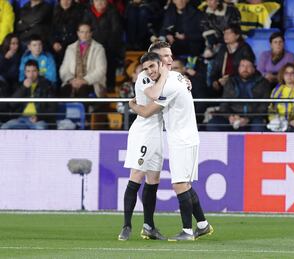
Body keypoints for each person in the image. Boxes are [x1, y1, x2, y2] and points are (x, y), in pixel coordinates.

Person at [129, 52, 213, 241]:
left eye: (153, 66)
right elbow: (176, 79)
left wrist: (132, 105)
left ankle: (187, 231)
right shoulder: (175, 77)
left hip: (182, 138)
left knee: (179, 184)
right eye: (146, 68)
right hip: (182, 137)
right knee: (185, 184)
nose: (150, 71)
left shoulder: (170, 85)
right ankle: (203, 224)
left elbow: (147, 111)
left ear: (160, 64)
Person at [118, 41, 175, 241]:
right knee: (137, 174)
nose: (164, 60)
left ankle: (149, 226)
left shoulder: (165, 76)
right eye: (160, 57)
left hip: (158, 132)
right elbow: (154, 96)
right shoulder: (144, 77)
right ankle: (126, 225)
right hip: (143, 131)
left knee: (154, 179)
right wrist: (167, 76)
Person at [206, 58, 271, 132]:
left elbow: (264, 107)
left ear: (254, 68)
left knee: (259, 127)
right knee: (213, 124)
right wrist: (230, 116)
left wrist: (248, 119)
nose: (245, 69)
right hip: (233, 118)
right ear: (238, 68)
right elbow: (224, 105)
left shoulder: (263, 83)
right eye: (242, 66)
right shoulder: (231, 82)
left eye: (248, 66)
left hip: (253, 119)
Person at [1, 59, 56, 129]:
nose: (31, 74)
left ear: (38, 72)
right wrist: (23, 88)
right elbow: (12, 104)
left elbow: (52, 108)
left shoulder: (47, 86)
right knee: (5, 127)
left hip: (39, 120)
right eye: (28, 71)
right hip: (21, 119)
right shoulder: (20, 85)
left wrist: (38, 117)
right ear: (25, 73)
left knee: (40, 128)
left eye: (34, 71)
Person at [59, 22, 107, 98]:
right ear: (78, 33)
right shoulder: (70, 48)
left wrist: (84, 80)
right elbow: (63, 69)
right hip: (73, 82)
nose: (84, 35)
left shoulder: (98, 48)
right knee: (65, 91)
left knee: (83, 91)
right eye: (82, 32)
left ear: (91, 33)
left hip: (91, 83)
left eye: (87, 32)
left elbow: (101, 70)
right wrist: (71, 80)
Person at [209, 23, 255, 97]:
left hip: (238, 82)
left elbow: (246, 70)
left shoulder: (245, 49)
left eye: (228, 33)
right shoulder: (223, 49)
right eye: (224, 33)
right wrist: (214, 81)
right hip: (221, 82)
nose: (225, 36)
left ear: (237, 35)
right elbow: (215, 67)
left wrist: (229, 79)